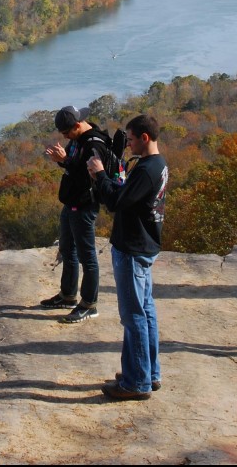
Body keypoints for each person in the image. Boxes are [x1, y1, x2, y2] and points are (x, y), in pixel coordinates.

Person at [87, 113, 168, 401]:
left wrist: (99, 174)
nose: (129, 145)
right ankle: (148, 372)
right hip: (144, 246)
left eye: (132, 139)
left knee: (133, 316)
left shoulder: (146, 169)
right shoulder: (157, 165)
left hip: (132, 248)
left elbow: (117, 202)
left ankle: (136, 382)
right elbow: (128, 196)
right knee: (145, 312)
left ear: (145, 138)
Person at [40, 105, 113, 324]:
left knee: (87, 257)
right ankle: (68, 295)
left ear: (78, 124)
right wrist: (64, 161)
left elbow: (90, 176)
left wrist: (65, 161)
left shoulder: (93, 145)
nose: (64, 137)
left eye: (67, 133)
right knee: (67, 249)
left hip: (84, 205)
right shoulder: (79, 140)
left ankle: (89, 304)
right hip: (71, 203)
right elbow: (75, 169)